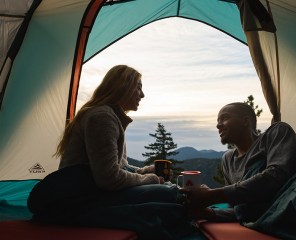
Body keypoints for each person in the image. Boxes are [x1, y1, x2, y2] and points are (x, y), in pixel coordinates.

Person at [27, 65, 194, 240]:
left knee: (165, 191)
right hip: (78, 198)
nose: (142, 95)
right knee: (167, 193)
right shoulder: (102, 117)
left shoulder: (110, 116)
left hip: (92, 191)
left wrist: (144, 171)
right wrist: (150, 179)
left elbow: (117, 167)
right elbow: (109, 178)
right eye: (138, 86)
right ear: (122, 86)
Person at [181, 102, 296, 223]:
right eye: (217, 121)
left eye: (224, 118)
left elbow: (278, 176)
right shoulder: (228, 159)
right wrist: (209, 214)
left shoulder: (276, 132)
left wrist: (214, 195)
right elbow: (242, 209)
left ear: (245, 121)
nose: (218, 125)